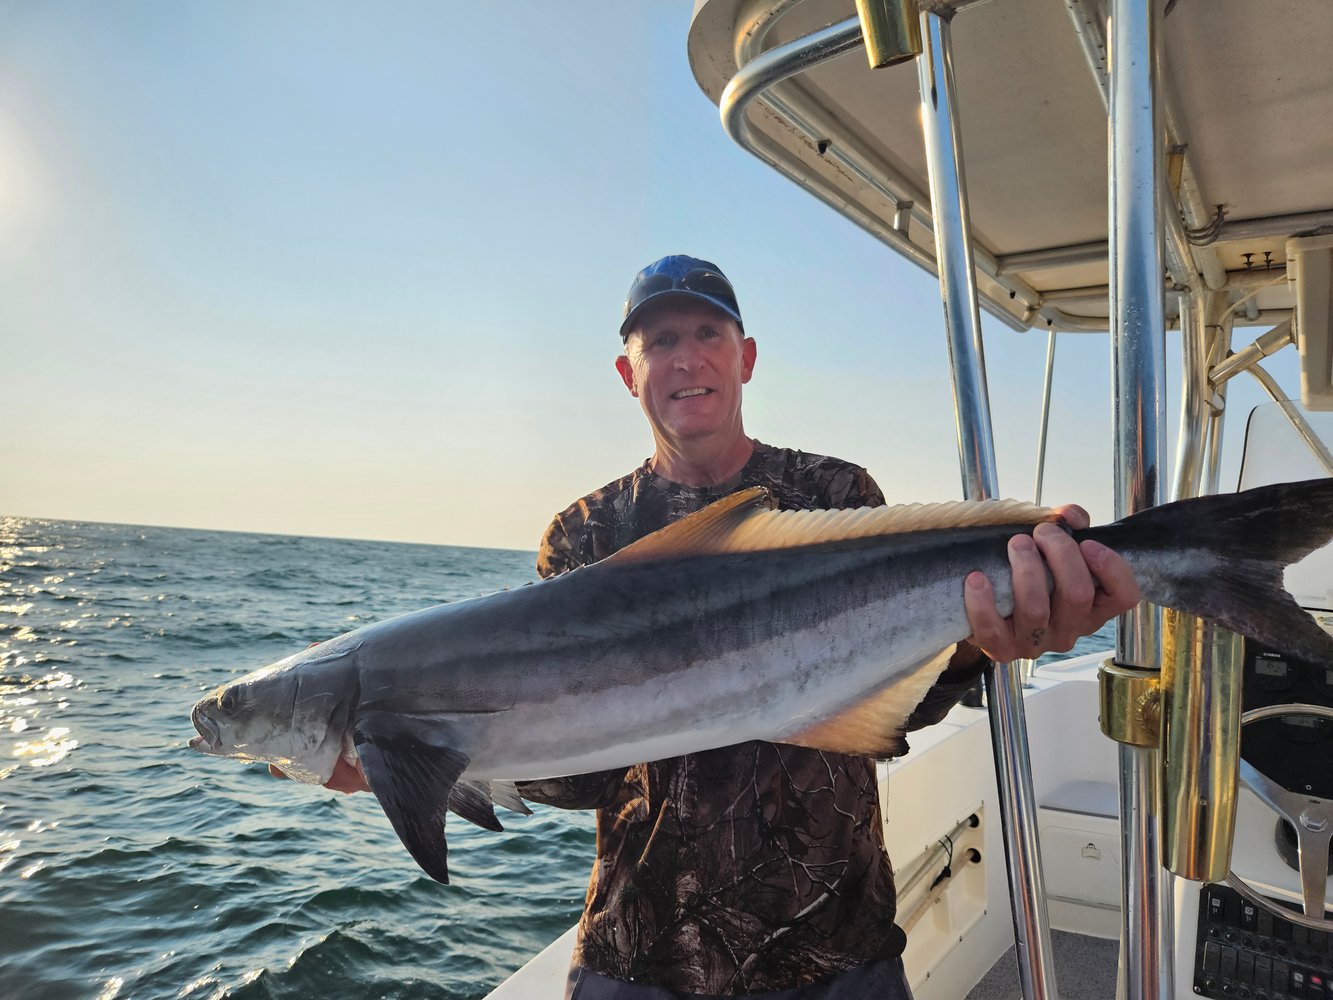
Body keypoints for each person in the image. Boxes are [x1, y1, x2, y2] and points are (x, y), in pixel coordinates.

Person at [305, 254, 1139, 998]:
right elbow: (586, 774)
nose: (685, 356)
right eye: (659, 340)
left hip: (833, 936)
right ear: (627, 373)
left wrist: (977, 652)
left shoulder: (834, 496)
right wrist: (425, 761)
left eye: (706, 331)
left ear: (743, 358)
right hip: (645, 951)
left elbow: (897, 705)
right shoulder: (585, 534)